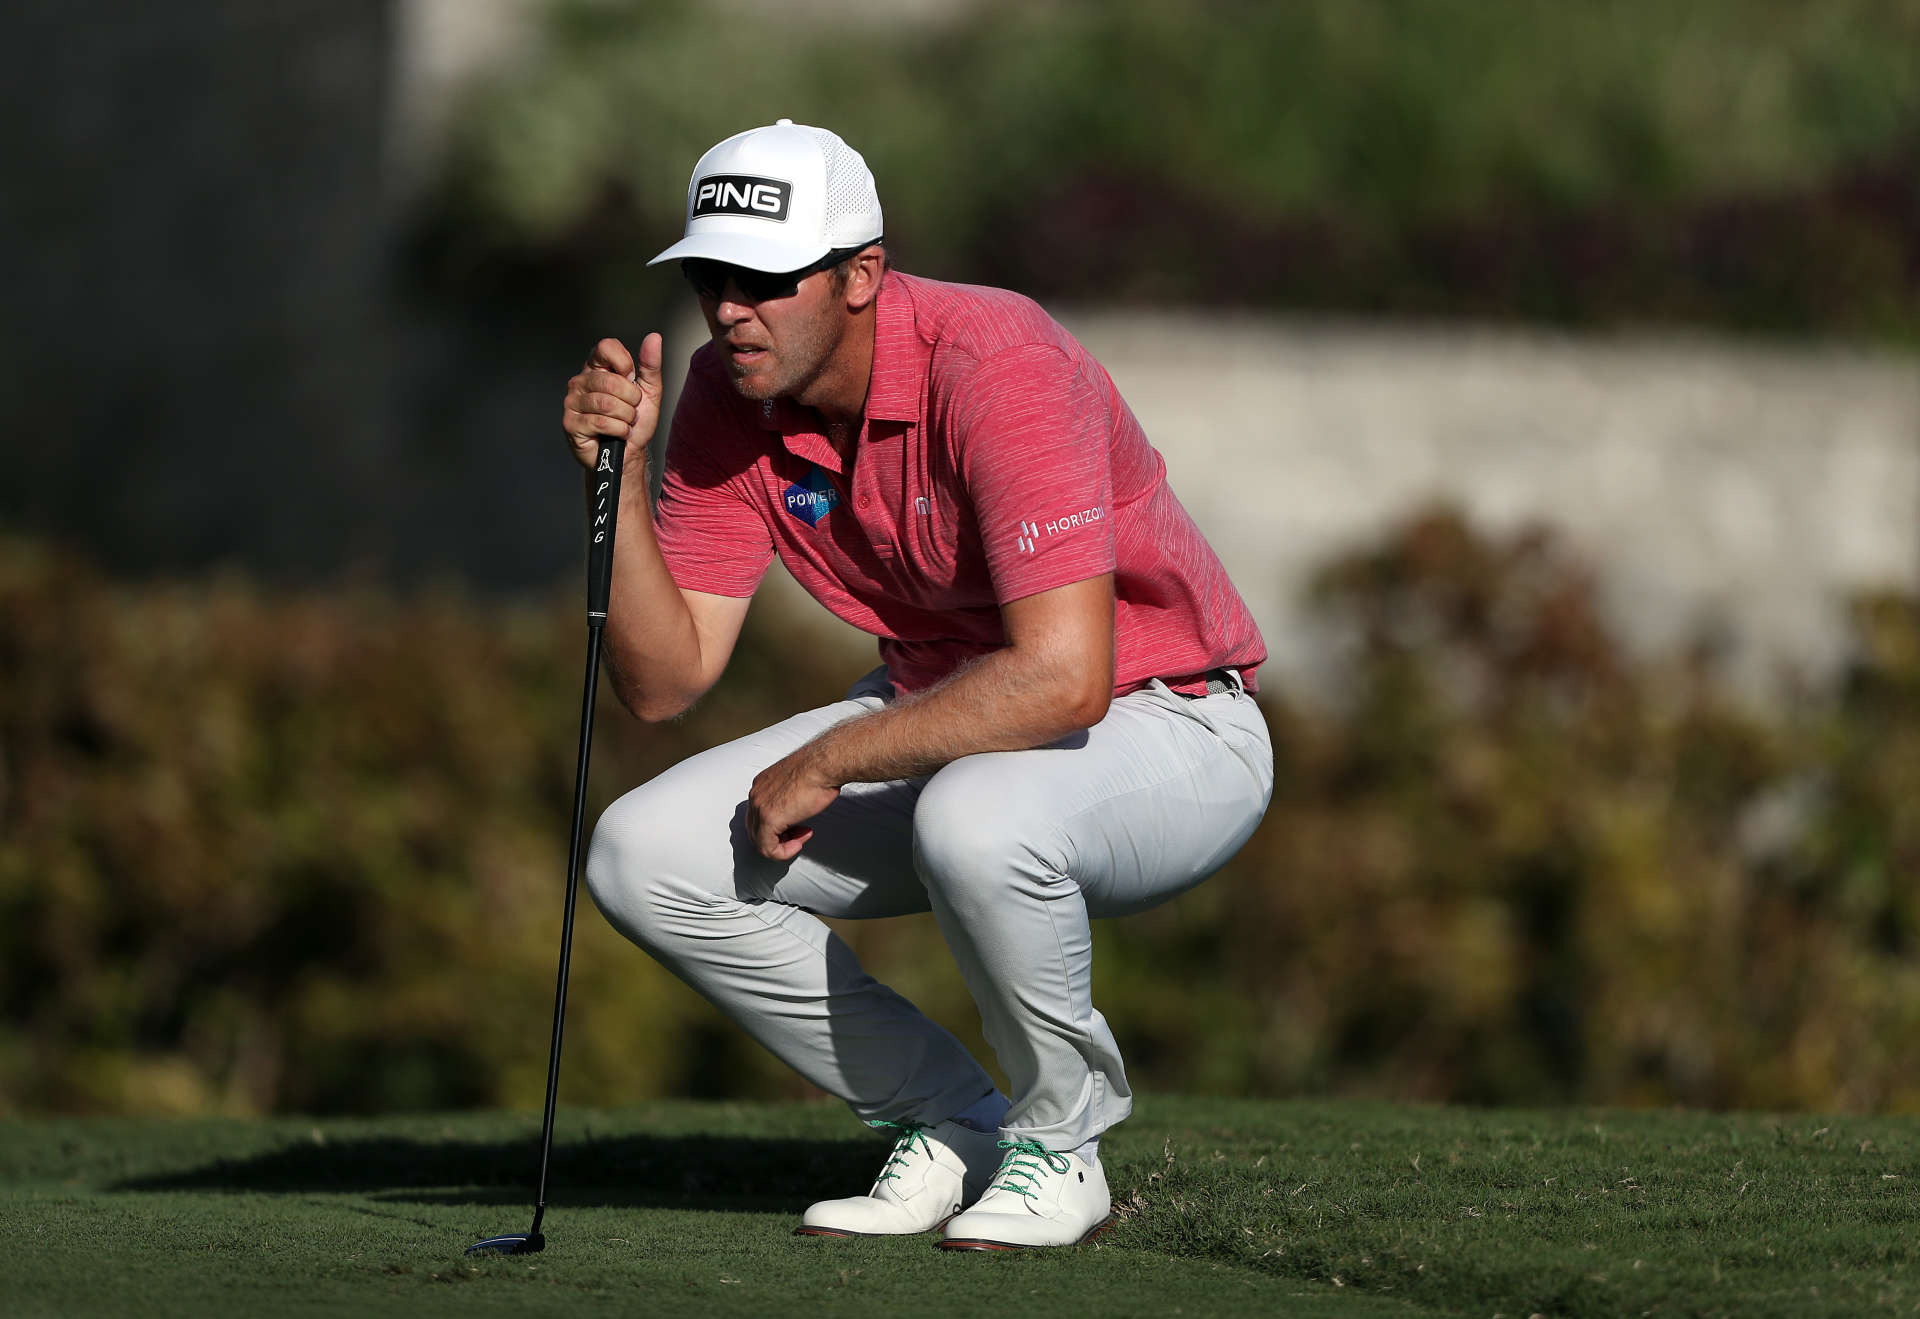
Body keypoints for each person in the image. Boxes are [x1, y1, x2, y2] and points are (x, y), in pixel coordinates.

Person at [565, 119, 1273, 1251]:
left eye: (765, 279)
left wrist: (832, 756)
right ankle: (952, 1119)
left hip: (1178, 723)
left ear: (861, 276)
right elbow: (663, 679)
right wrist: (622, 474)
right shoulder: (725, 394)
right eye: (709, 278)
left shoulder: (1000, 360)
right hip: (952, 722)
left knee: (976, 818)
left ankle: (1062, 1144)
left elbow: (1065, 678)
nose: (730, 308)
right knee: (641, 854)